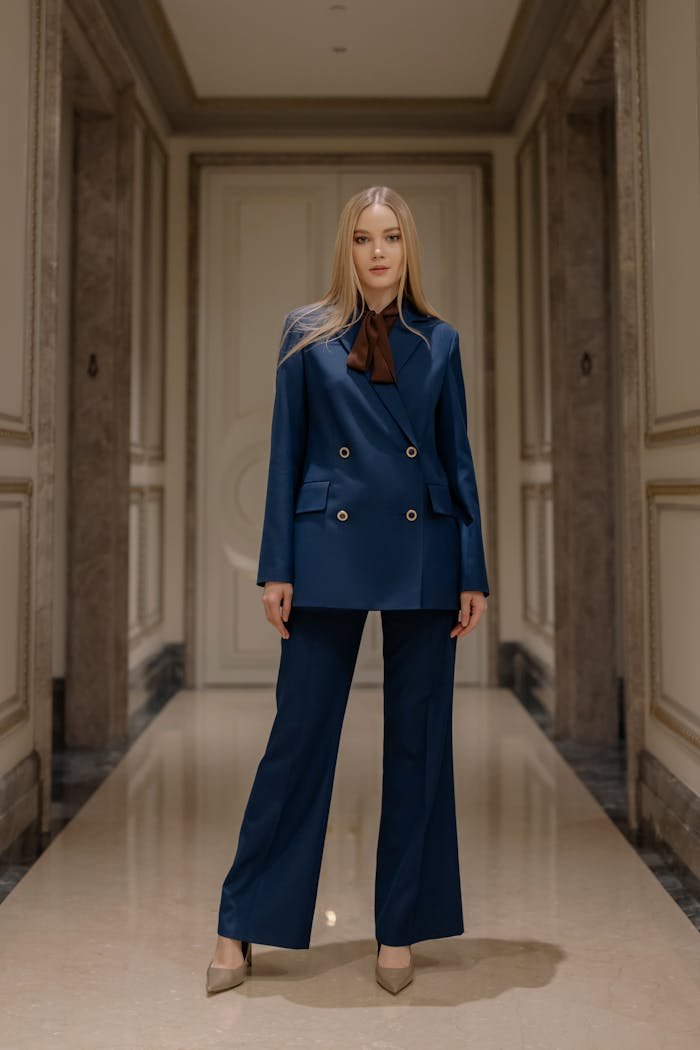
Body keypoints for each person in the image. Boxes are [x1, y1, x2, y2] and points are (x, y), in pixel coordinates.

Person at [206, 185, 489, 997]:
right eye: (363, 239)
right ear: (347, 250)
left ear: (408, 249)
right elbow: (286, 452)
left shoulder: (441, 343)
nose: (377, 253)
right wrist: (277, 566)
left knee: (418, 745)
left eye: (391, 237)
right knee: (298, 739)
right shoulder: (307, 336)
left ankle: (399, 928)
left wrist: (471, 569)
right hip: (325, 547)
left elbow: (456, 461)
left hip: (425, 553)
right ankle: (240, 922)